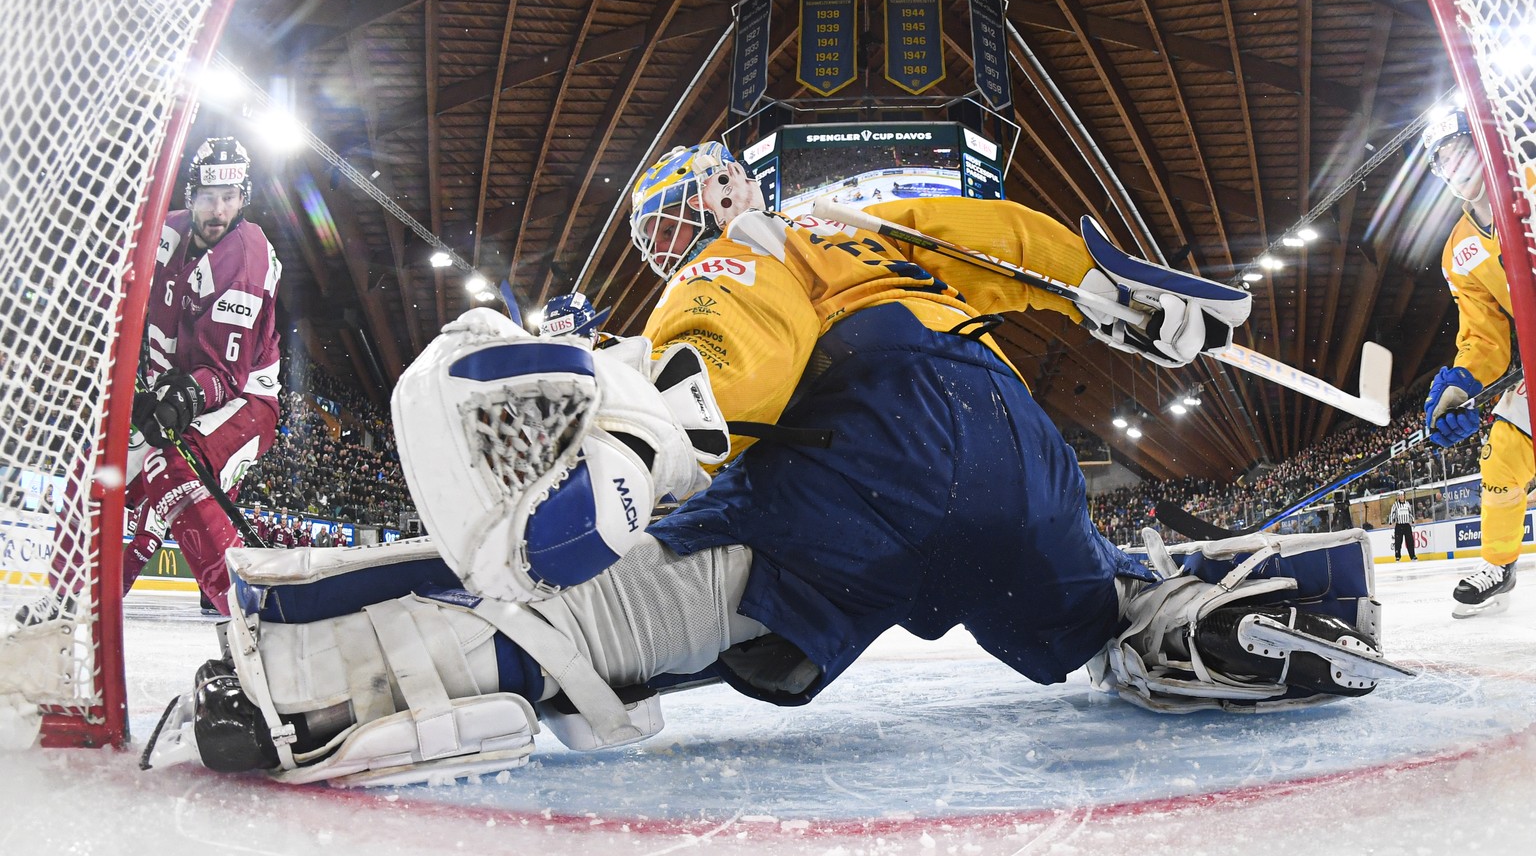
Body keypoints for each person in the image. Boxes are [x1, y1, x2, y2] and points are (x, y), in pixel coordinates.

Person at [144, 142, 1408, 785]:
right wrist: (1113, 290)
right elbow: (1005, 241)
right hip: (1014, 456)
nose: (668, 237)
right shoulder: (881, 229)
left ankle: (323, 667)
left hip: (857, 456)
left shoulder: (770, 238)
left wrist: (654, 420)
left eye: (672, 212)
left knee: (607, 612)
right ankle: (1193, 618)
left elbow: (735, 326)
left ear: (719, 185)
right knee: (1083, 610)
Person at [15, 137, 280, 624]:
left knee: (172, 468)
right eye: (206, 196)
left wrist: (181, 395)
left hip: (241, 399)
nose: (217, 209)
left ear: (244, 197)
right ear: (189, 195)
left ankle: (252, 619)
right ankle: (67, 603)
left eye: (228, 197)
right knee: (95, 470)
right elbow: (117, 289)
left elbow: (226, 374)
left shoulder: (246, 260)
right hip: (169, 389)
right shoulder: (164, 232)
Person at [1421, 108, 1525, 618]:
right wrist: (1462, 386)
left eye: (1457, 148)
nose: (1451, 165)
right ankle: (1499, 565)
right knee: (1503, 449)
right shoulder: (1458, 250)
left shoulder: (1530, 182)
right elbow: (1484, 336)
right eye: (1440, 161)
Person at [1389, 496, 1417, 561]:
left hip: (1407, 525)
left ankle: (1412, 555)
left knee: (1410, 541)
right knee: (1398, 542)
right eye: (1400, 495)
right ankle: (1397, 556)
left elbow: (1410, 513)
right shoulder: (1395, 505)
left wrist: (1412, 520)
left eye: (1402, 495)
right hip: (1399, 525)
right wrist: (1390, 522)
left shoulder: (1407, 504)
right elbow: (1392, 514)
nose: (1401, 497)